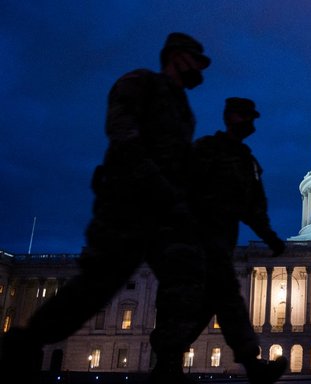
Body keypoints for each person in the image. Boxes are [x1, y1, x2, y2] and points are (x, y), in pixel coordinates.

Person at [0, 32, 210, 384]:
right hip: (126, 201)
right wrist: (150, 180)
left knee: (191, 280)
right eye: (194, 61)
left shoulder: (182, 108)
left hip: (162, 213)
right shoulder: (140, 83)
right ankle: (23, 345)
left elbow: (179, 163)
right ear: (176, 57)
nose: (198, 71)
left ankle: (168, 360)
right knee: (98, 283)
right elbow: (121, 132)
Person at [187, 97, 287, 384]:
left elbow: (254, 206)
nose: (252, 124)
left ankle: (252, 365)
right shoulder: (204, 149)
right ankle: (252, 366)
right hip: (195, 242)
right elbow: (179, 188)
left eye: (253, 119)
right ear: (231, 117)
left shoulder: (246, 159)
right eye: (247, 117)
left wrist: (271, 238)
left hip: (221, 244)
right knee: (216, 302)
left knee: (219, 303)